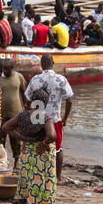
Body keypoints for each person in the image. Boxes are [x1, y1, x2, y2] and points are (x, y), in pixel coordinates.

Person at [4, 85, 57, 204]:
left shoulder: (23, 115)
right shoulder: (45, 116)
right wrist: (44, 143)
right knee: (41, 187)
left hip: (27, 154)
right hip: (41, 157)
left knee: (25, 185)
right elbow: (52, 135)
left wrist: (22, 138)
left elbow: (6, 127)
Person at [26, 54, 73, 182]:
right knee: (58, 148)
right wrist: (65, 118)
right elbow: (69, 100)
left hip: (37, 119)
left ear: (41, 64)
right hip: (54, 119)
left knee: (38, 145)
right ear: (53, 62)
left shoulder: (35, 79)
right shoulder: (61, 79)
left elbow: (27, 99)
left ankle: (37, 174)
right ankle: (57, 177)